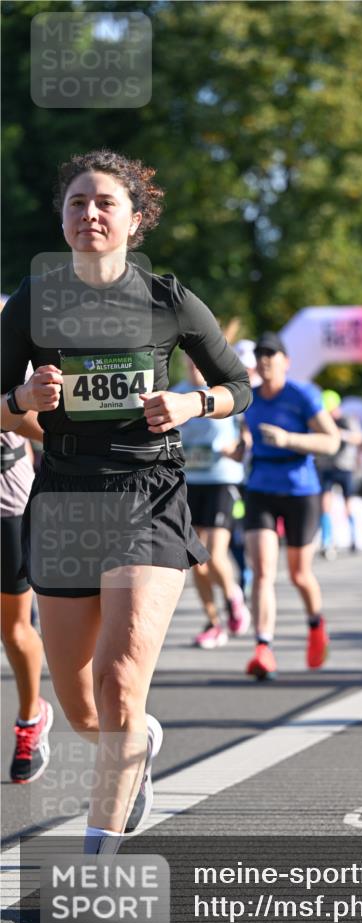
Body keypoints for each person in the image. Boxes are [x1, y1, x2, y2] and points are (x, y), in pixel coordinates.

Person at [1, 150, 251, 854]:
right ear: (62, 217)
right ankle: (138, 741)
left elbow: (240, 387)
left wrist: (193, 400)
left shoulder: (167, 299)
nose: (88, 214)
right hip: (64, 501)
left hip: (148, 493)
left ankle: (98, 855)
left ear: (134, 220)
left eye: (105, 203)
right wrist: (19, 400)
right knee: (84, 706)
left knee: (118, 684)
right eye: (77, 202)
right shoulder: (33, 300)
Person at [241, 332, 340, 679]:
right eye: (261, 355)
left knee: (299, 574)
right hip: (261, 486)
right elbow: (244, 439)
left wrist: (289, 440)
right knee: (263, 570)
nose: (266, 361)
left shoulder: (302, 395)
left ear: (286, 361)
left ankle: (316, 626)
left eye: (272, 355)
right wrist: (236, 450)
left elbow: (332, 441)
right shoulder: (249, 399)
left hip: (301, 489)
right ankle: (263, 648)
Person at [173, 357, 250, 648]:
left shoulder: (220, 393)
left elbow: (245, 434)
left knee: (214, 554)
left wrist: (239, 448)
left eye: (198, 363)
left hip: (221, 480)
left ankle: (233, 596)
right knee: (196, 561)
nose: (194, 368)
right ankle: (213, 623)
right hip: (189, 483)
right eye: (190, 364)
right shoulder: (176, 394)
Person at [1, 415, 53, 783]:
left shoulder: (11, 356)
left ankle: (31, 716)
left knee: (15, 630)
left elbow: (42, 425)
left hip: (7, 503)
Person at [317, 389, 362, 559]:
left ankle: (355, 538)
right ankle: (326, 540)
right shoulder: (320, 421)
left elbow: (359, 437)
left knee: (348, 503)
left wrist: (341, 434)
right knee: (324, 503)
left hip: (344, 466)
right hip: (326, 466)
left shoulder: (347, 420)